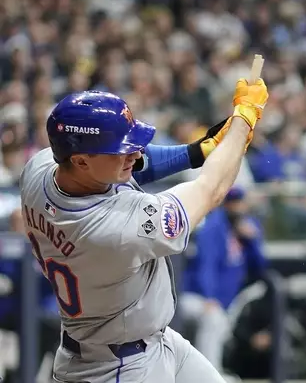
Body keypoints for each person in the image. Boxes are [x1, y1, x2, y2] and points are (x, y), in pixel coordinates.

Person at [18, 79, 269, 383]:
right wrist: (244, 120)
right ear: (81, 160)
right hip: (118, 369)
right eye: (121, 152)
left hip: (146, 341)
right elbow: (211, 189)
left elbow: (131, 166)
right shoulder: (116, 229)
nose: (134, 155)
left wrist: (196, 151)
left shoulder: (40, 169)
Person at [182, 186, 267, 374]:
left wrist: (252, 241)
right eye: (232, 202)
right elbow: (206, 266)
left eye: (239, 202)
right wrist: (209, 297)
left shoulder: (248, 227)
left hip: (228, 301)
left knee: (219, 321)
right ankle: (208, 375)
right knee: (214, 319)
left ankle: (211, 372)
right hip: (196, 297)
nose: (236, 206)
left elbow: (260, 267)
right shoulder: (213, 226)